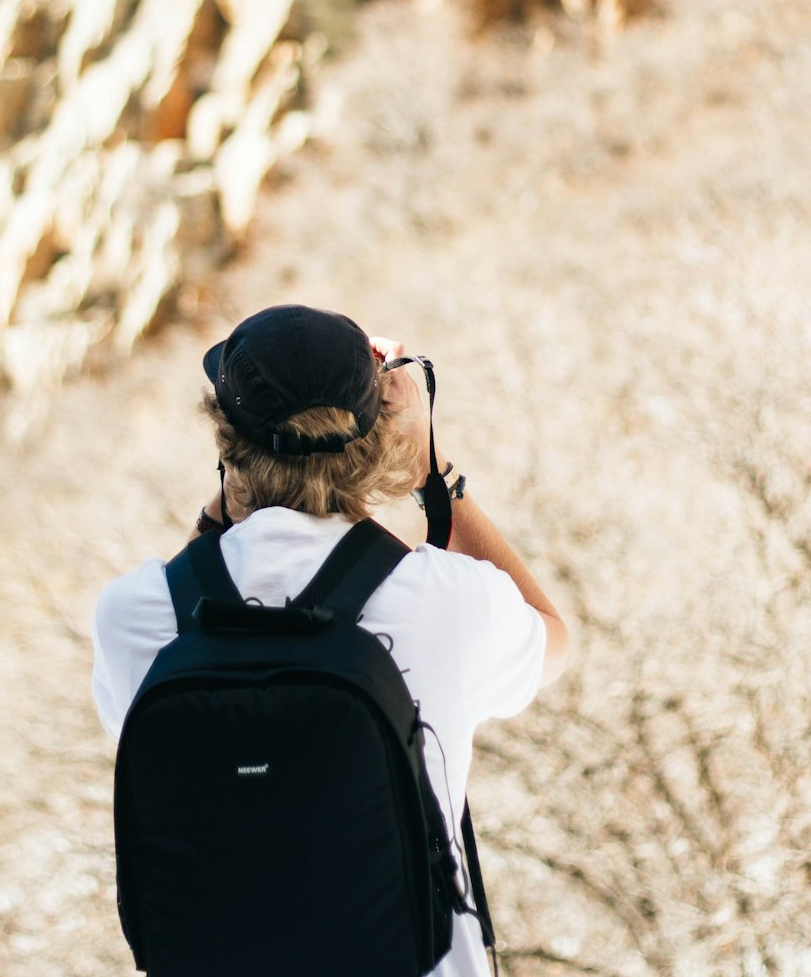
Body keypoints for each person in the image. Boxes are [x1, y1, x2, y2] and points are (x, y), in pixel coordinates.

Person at [92, 304, 570, 977]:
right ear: (379, 433)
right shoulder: (449, 602)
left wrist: (222, 501)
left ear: (226, 442)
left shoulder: (133, 615)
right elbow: (552, 638)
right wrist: (435, 471)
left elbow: (151, 694)